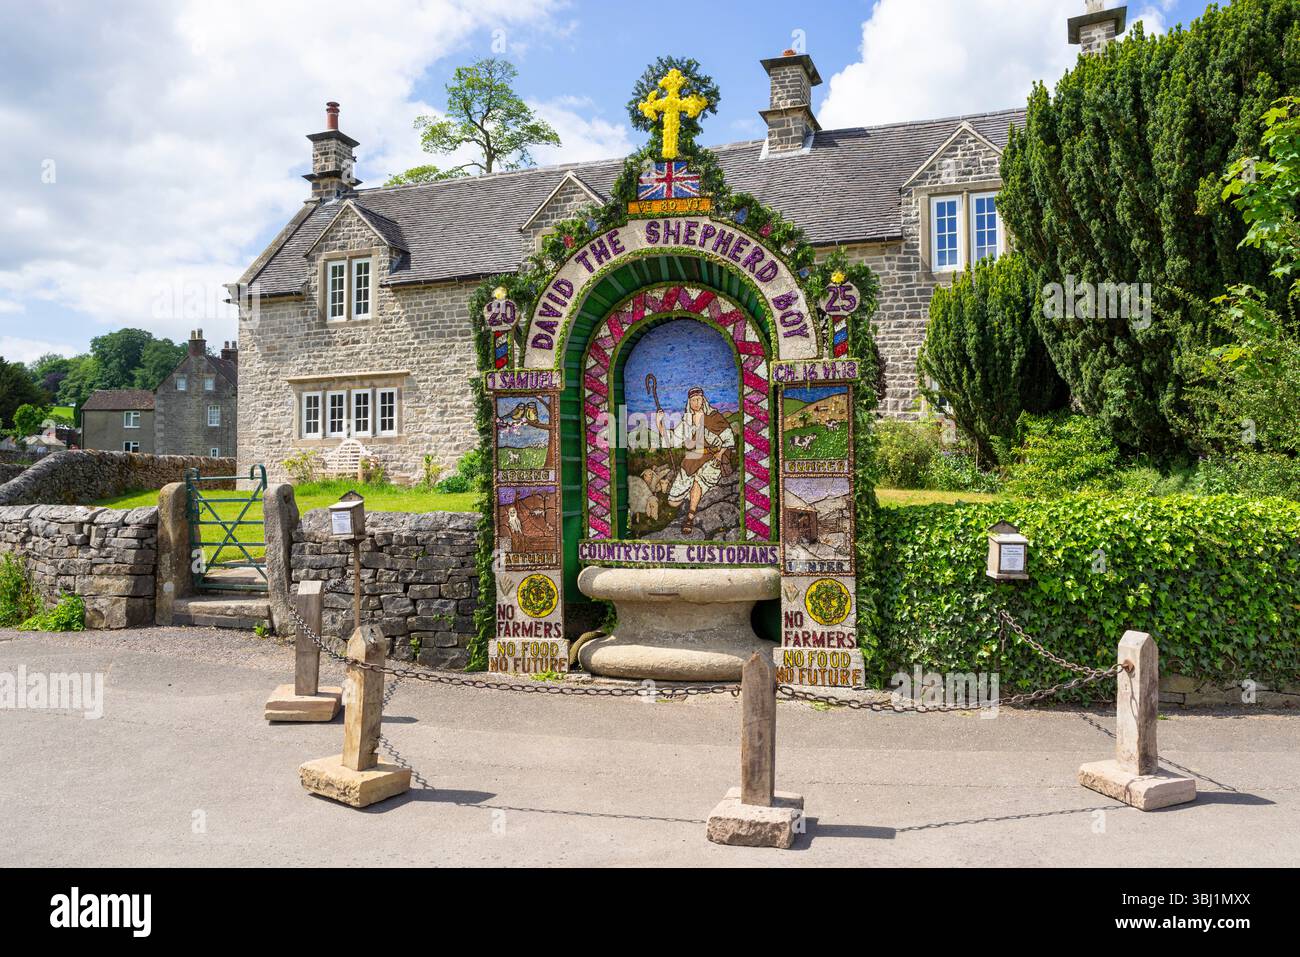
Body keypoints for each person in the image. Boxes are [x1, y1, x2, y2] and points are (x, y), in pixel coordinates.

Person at [654, 386, 734, 534]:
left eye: (698, 399)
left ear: (703, 400)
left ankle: (690, 517)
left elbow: (728, 438)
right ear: (689, 402)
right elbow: (672, 439)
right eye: (693, 400)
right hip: (692, 459)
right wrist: (659, 422)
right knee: (672, 501)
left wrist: (720, 454)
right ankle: (692, 495)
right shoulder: (687, 421)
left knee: (698, 482)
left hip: (712, 457)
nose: (696, 402)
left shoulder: (713, 417)